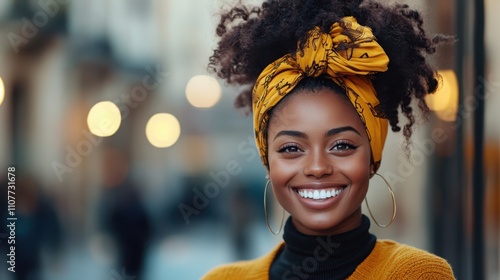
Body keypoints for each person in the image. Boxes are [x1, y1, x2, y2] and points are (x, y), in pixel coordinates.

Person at [203, 0, 455, 279]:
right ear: (267, 162)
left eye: (342, 145)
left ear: (372, 158)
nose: (317, 167)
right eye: (290, 148)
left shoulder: (414, 274)